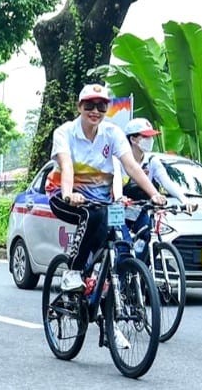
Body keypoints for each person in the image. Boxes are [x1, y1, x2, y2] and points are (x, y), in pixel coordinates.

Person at [47, 84, 166, 294]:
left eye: (101, 106)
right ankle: (73, 272)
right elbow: (66, 167)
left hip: (103, 200)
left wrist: (154, 194)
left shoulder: (112, 133)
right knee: (92, 215)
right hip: (63, 195)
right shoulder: (64, 132)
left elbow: (131, 166)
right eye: (90, 105)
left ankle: (103, 283)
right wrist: (68, 194)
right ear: (79, 106)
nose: (95, 111)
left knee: (115, 234)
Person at [118, 117, 192, 258]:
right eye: (145, 137)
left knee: (147, 238)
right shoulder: (119, 160)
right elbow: (115, 183)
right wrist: (119, 197)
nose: (150, 140)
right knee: (123, 246)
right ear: (133, 139)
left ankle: (139, 273)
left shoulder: (152, 161)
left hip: (140, 209)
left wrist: (184, 200)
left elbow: (167, 182)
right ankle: (115, 276)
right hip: (119, 210)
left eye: (151, 137)